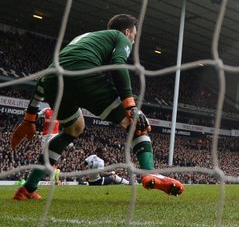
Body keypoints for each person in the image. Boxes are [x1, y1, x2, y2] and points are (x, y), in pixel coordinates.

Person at [11, 14, 184, 200]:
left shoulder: (85, 38)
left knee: (74, 129)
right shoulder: (120, 37)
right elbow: (118, 64)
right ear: (127, 32)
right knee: (137, 124)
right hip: (83, 76)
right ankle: (150, 173)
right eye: (134, 36)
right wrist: (130, 104)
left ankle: (27, 188)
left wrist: (30, 118)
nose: (133, 40)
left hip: (54, 82)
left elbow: (45, 79)